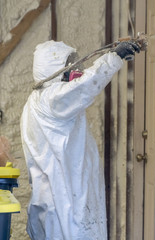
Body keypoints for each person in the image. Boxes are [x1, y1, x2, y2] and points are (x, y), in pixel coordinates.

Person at [20, 40, 140, 239]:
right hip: (63, 206)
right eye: (70, 66)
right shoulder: (51, 100)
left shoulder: (35, 102)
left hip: (55, 203)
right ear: (55, 70)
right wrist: (114, 58)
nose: (76, 71)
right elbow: (85, 86)